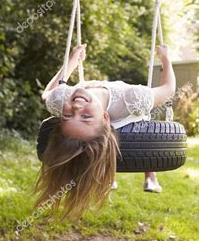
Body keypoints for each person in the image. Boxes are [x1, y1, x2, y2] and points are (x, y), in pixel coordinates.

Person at [36, 43, 176, 218]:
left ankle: (124, 175)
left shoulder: (60, 100)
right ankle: (144, 176)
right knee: (138, 121)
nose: (77, 107)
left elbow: (47, 93)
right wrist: (165, 58)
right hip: (128, 117)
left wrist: (72, 61)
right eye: (85, 117)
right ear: (105, 118)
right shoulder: (134, 97)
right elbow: (169, 90)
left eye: (67, 116)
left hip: (108, 121)